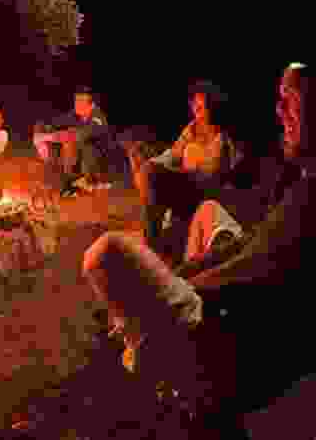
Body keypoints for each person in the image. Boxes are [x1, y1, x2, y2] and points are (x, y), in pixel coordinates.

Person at [81, 63, 316, 431]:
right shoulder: (301, 181)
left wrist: (185, 283)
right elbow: (254, 244)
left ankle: (149, 347)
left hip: (230, 343)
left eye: (291, 100)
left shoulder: (304, 194)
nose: (279, 111)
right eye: (279, 100)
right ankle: (142, 328)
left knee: (108, 252)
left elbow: (257, 277)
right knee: (209, 217)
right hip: (229, 299)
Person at [136, 80, 241, 252]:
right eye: (195, 105)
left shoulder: (224, 135)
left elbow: (235, 173)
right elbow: (172, 155)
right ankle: (153, 242)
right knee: (148, 168)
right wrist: (149, 165)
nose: (197, 110)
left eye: (202, 106)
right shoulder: (192, 129)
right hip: (188, 187)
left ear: (213, 107)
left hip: (208, 192)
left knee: (151, 173)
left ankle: (153, 245)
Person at [33, 86, 121, 194]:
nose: (76, 104)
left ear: (91, 104)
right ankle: (69, 182)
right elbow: (56, 122)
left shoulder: (97, 119)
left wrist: (45, 137)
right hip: (84, 161)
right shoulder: (78, 114)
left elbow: (76, 135)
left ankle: (87, 182)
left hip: (100, 167)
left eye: (80, 101)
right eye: (76, 100)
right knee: (52, 134)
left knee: (71, 140)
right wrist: (41, 129)